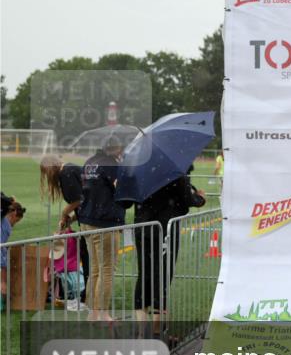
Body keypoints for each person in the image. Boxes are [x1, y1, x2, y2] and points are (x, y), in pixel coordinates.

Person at [131, 166, 206, 330]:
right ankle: (158, 329)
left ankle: (141, 330)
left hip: (142, 226)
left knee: (144, 273)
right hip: (165, 228)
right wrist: (200, 198)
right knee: (162, 275)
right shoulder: (176, 169)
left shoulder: (141, 168)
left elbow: (130, 198)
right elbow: (187, 199)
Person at [78, 136, 126, 322]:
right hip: (105, 222)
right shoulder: (112, 165)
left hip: (87, 220)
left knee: (95, 269)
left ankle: (93, 313)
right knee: (106, 269)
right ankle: (102, 313)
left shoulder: (90, 162)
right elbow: (121, 190)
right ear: (116, 147)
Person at [40, 155, 91, 303]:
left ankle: (88, 297)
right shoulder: (67, 172)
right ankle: (86, 295)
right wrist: (70, 220)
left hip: (92, 220)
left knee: (89, 260)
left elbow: (78, 200)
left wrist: (64, 214)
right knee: (86, 258)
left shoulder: (66, 173)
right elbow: (82, 202)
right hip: (87, 219)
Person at [1, 201, 25, 309]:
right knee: (3, 283)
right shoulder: (5, 225)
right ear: (14, 214)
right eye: (16, 221)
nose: (15, 224)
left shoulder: (4, 222)